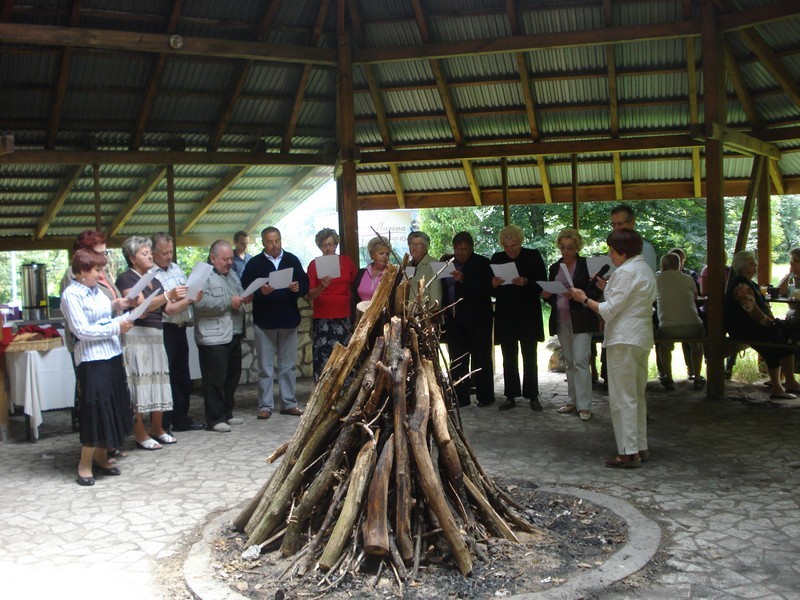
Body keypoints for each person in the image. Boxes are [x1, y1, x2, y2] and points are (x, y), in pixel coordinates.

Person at [571, 229, 656, 469]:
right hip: (640, 337)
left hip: (623, 338)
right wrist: (606, 286)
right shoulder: (643, 269)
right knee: (637, 395)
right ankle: (640, 445)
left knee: (622, 398)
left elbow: (609, 310)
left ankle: (628, 452)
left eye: (612, 250)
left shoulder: (625, 272)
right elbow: (627, 298)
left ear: (623, 252)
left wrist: (583, 298)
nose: (610, 255)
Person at [61, 249, 134, 486]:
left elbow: (103, 320)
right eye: (96, 270)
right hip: (92, 360)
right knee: (94, 409)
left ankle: (101, 457)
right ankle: (84, 464)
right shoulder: (71, 295)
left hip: (111, 354)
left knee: (111, 406)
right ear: (82, 271)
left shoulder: (96, 292)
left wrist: (122, 318)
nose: (100, 274)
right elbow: (82, 330)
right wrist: (116, 327)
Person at [115, 236, 179, 450]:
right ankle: (140, 433)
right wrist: (168, 295)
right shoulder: (126, 278)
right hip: (136, 335)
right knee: (139, 382)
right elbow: (141, 305)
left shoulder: (155, 279)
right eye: (144, 253)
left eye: (150, 252)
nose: (150, 256)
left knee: (158, 380)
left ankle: (157, 428)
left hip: (156, 334)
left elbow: (168, 309)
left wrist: (189, 298)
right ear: (132, 258)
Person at [242, 226, 309, 419]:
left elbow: (304, 284)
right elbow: (246, 286)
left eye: (277, 241)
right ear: (263, 243)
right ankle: (265, 405)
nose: (274, 245)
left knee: (288, 366)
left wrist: (297, 288)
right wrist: (260, 292)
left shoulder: (291, 260)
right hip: (264, 321)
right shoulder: (255, 263)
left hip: (288, 319)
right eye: (270, 242)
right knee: (265, 367)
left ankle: (289, 403)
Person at [193, 240, 252, 432]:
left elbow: (238, 294)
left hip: (234, 333)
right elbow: (199, 303)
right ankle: (215, 418)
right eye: (225, 259)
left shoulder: (232, 274)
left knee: (231, 377)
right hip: (213, 337)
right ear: (212, 258)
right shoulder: (201, 275)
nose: (229, 262)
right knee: (214, 380)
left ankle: (227, 413)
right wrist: (228, 302)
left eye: (231, 259)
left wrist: (245, 297)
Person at [542, 228, 601, 421]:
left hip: (582, 318)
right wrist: (546, 295)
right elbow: (552, 297)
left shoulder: (586, 266)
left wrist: (577, 296)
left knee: (581, 361)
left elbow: (595, 293)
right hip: (561, 319)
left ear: (577, 247)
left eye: (570, 247)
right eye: (562, 247)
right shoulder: (555, 267)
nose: (566, 251)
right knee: (569, 361)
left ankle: (584, 406)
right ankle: (572, 400)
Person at [725, 250, 800, 399]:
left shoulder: (747, 283)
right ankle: (779, 387)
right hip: (744, 328)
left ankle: (787, 382)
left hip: (750, 326)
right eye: (752, 263)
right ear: (743, 267)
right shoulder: (741, 286)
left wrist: (774, 324)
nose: (756, 265)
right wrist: (771, 324)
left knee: (783, 336)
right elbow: (753, 312)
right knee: (777, 339)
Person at [151, 232, 205, 432]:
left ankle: (181, 418)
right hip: (165, 329)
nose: (169, 256)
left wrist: (192, 296)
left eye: (171, 252)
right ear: (153, 253)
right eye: (164, 253)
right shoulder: (152, 275)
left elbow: (183, 297)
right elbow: (169, 309)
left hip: (181, 328)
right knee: (166, 376)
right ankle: (163, 423)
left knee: (182, 376)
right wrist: (189, 299)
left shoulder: (176, 268)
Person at [491, 224, 546, 411]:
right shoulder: (497, 258)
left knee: (530, 356)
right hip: (506, 314)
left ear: (520, 242)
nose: (510, 249)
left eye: (513, 245)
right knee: (508, 356)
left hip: (528, 313)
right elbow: (490, 290)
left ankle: (532, 395)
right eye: (506, 246)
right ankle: (510, 395)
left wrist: (526, 282)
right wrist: (494, 284)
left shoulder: (532, 256)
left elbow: (542, 284)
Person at [441, 231, 495, 408]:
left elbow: (487, 288)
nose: (460, 252)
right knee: (457, 358)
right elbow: (443, 287)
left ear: (471, 248)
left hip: (478, 319)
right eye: (457, 249)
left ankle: (485, 396)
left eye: (464, 249)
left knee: (481, 357)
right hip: (454, 319)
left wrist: (464, 279)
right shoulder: (447, 263)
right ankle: (460, 397)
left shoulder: (482, 263)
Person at [306, 228, 357, 381]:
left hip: (344, 315)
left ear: (336, 244)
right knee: (324, 356)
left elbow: (357, 283)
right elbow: (309, 295)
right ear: (319, 246)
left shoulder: (346, 261)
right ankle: (323, 388)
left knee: (345, 356)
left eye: (331, 244)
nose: (328, 248)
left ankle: (345, 389)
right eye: (324, 245)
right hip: (323, 317)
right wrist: (322, 286)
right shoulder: (314, 265)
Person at [655, 252, 705, 391]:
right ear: (679, 265)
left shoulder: (656, 279)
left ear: (662, 265)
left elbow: (650, 298)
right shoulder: (688, 279)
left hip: (668, 328)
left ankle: (668, 377)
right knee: (697, 344)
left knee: (663, 345)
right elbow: (695, 297)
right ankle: (697, 377)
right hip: (693, 326)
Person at [610, 204, 657, 273]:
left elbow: (646, 276)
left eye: (620, 224)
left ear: (632, 222)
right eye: (613, 224)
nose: (616, 228)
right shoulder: (614, 247)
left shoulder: (645, 248)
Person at [407, 231, 442, 309]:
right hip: (408, 312)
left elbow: (436, 296)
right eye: (411, 244)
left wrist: (433, 312)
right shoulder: (409, 265)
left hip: (424, 312)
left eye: (418, 245)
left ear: (426, 248)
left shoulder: (435, 264)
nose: (414, 247)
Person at [354, 237, 393, 303]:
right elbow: (354, 297)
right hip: (361, 308)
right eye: (381, 253)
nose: (384, 256)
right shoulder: (361, 273)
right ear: (372, 255)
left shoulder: (391, 274)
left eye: (387, 254)